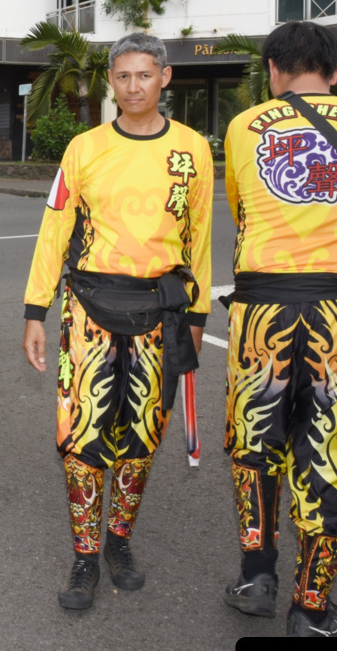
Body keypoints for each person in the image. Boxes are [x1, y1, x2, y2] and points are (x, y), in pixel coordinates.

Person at [22, 32, 212, 610]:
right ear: (112, 81)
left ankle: (118, 542)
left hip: (161, 313)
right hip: (88, 311)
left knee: (142, 437)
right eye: (123, 77)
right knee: (81, 437)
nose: (134, 87)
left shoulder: (193, 150)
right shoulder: (83, 149)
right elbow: (55, 229)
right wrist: (36, 310)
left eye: (144, 76)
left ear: (165, 78)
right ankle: (84, 557)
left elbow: (199, 238)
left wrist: (198, 316)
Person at [220, 21, 337, 636]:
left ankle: (255, 577)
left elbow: (243, 211)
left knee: (254, 441)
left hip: (262, 304)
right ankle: (311, 610)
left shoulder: (245, 127)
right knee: (334, 450)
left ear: (272, 70)